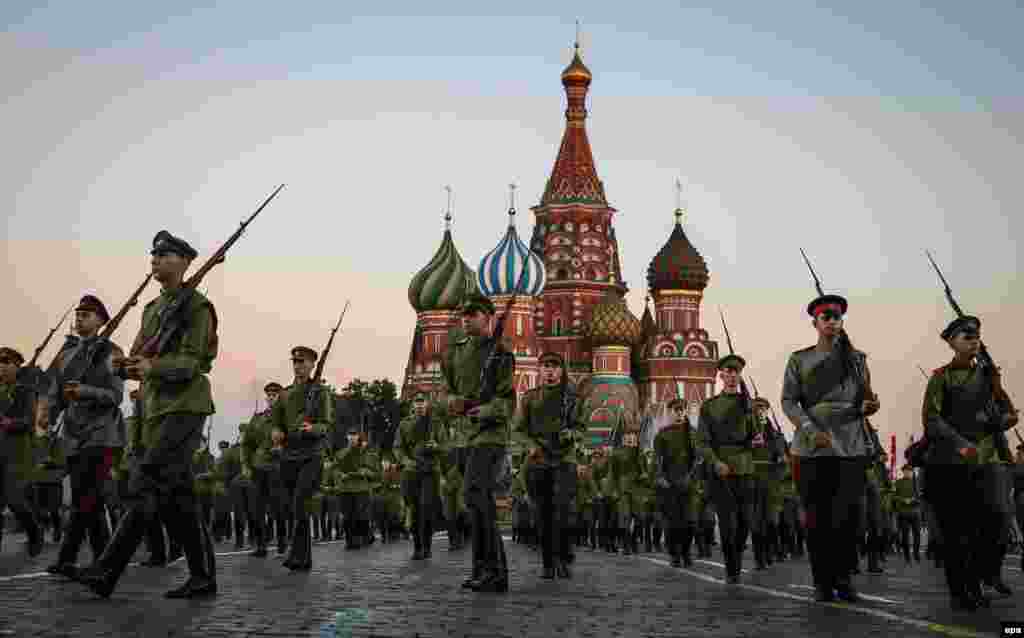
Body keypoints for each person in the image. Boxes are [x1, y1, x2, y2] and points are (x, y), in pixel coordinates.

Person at [78, 230, 218, 599]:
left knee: (148, 482)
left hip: (185, 406)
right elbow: (138, 358)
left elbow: (192, 362)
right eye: (154, 254)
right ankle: (203, 576)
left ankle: (106, 571)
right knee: (178, 496)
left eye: (166, 253)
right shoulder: (152, 310)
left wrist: (152, 368)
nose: (156, 259)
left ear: (186, 261)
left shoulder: (197, 307)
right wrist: (123, 366)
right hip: (155, 410)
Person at [782, 294, 879, 602]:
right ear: (815, 322)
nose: (831, 321)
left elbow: (867, 396)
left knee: (849, 517)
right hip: (812, 449)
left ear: (842, 322)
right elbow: (788, 401)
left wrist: (870, 406)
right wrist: (810, 429)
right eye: (826, 316)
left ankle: (845, 577)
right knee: (818, 518)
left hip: (850, 445)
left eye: (836, 316)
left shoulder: (857, 359)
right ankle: (822, 581)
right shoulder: (800, 359)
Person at [923, 315, 1018, 610]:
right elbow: (932, 420)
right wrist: (960, 445)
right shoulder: (942, 377)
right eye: (966, 336)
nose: (973, 340)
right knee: (957, 532)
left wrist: (1007, 418)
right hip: (952, 463)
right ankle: (961, 591)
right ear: (952, 343)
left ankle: (981, 578)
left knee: (995, 523)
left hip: (988, 460)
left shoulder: (988, 376)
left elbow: (1002, 413)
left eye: (976, 335)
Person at [442, 294, 515, 593]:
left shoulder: (501, 354)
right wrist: (453, 402)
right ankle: (483, 569)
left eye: (472, 314)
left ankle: (495, 571)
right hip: (464, 434)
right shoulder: (456, 353)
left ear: (488, 316)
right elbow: (446, 389)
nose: (466, 318)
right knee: (474, 501)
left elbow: (508, 401)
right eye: (464, 314)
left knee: (476, 492)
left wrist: (484, 410)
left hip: (490, 434)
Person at [514, 351, 584, 579]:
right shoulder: (529, 398)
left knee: (562, 513)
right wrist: (530, 446)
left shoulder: (572, 398)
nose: (550, 370)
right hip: (538, 461)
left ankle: (563, 558)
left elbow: (581, 427)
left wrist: (571, 434)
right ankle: (547, 563)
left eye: (555, 366)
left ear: (561, 371)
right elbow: (518, 431)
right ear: (539, 370)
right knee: (542, 515)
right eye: (546, 366)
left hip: (564, 460)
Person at [269, 345, 335, 571]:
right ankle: (302, 556)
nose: (298, 366)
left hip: (311, 456)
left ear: (312, 365)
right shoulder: (284, 394)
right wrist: (276, 432)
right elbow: (276, 422)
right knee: (291, 507)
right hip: (289, 456)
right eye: (295, 362)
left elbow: (326, 425)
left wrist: (312, 428)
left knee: (299, 504)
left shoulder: (320, 392)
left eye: (303, 362)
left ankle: (299, 556)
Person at [698, 353, 757, 584]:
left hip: (745, 468)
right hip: (721, 468)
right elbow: (702, 441)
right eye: (728, 372)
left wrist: (757, 440)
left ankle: (737, 555)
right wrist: (715, 462)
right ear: (721, 375)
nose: (732, 376)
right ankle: (732, 568)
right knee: (727, 522)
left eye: (736, 372)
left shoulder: (748, 405)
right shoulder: (710, 407)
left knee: (745, 522)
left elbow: (755, 437)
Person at [0, 347, 44, 556]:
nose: (2, 366)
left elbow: (28, 422)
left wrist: (8, 422)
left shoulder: (26, 390)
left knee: (15, 500)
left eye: (6, 362)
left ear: (18, 365)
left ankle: (35, 531)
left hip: (17, 454)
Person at [654, 397, 701, 568]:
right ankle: (674, 554)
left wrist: (692, 476)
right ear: (671, 412)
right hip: (670, 483)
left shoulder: (693, 433)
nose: (680, 413)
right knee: (673, 523)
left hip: (689, 482)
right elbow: (658, 459)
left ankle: (686, 552)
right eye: (676, 410)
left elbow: (698, 458)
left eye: (682, 410)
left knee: (690, 521)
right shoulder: (663, 434)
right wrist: (660, 477)